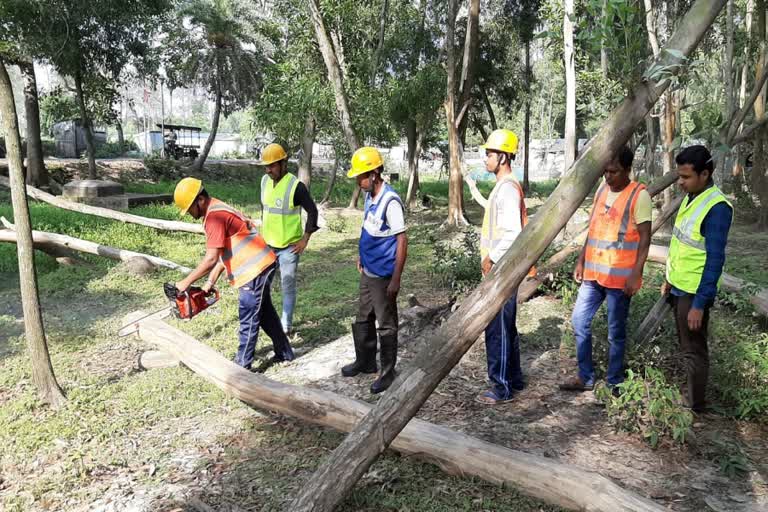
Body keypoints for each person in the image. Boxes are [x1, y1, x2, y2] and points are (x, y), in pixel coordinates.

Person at [173, 177, 295, 369]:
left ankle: (241, 366)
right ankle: (285, 353)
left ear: (200, 200)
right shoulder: (217, 209)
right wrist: (209, 282)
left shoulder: (214, 217)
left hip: (255, 269)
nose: (189, 213)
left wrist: (185, 283)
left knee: (248, 314)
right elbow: (224, 252)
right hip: (261, 264)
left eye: (189, 208)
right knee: (264, 313)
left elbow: (211, 258)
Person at [558, 146, 652, 395]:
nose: (609, 177)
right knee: (579, 321)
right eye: (605, 172)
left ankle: (614, 383)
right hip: (593, 275)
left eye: (614, 172)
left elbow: (644, 239)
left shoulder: (639, 196)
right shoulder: (602, 190)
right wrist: (581, 260)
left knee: (615, 333)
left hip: (619, 280)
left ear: (628, 169)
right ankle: (585, 376)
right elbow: (594, 230)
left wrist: (636, 273)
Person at [662, 145, 732, 413]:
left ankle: (695, 405)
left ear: (705, 174)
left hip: (693, 292)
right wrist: (669, 278)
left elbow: (715, 261)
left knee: (694, 349)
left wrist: (699, 304)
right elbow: (683, 244)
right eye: (679, 176)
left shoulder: (717, 208)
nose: (680, 182)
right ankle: (690, 393)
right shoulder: (692, 196)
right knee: (686, 346)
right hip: (679, 286)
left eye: (686, 177)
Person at [340, 147, 408, 394]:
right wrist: (361, 254)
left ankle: (388, 373)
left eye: (361, 176)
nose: (358, 181)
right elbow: (368, 229)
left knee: (386, 323)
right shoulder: (370, 196)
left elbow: (402, 240)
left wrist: (396, 279)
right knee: (363, 316)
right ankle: (365, 361)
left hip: (383, 275)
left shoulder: (391, 202)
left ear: (375, 173)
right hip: (368, 270)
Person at [475, 129, 532, 405]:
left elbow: (511, 234)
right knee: (505, 326)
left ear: (504, 157)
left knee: (497, 327)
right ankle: (515, 378)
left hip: (502, 268)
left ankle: (502, 386)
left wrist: (491, 258)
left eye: (490, 154)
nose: (486, 158)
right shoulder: (504, 186)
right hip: (501, 267)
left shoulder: (508, 188)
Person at [259, 143, 320, 335]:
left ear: (283, 163)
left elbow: (312, 211)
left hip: (288, 249)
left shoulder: (296, 187)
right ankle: (264, 320)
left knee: (287, 286)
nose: (269, 170)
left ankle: (285, 325)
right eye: (266, 166)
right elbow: (266, 209)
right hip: (267, 245)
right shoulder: (264, 182)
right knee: (262, 286)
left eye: (272, 166)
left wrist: (305, 239)